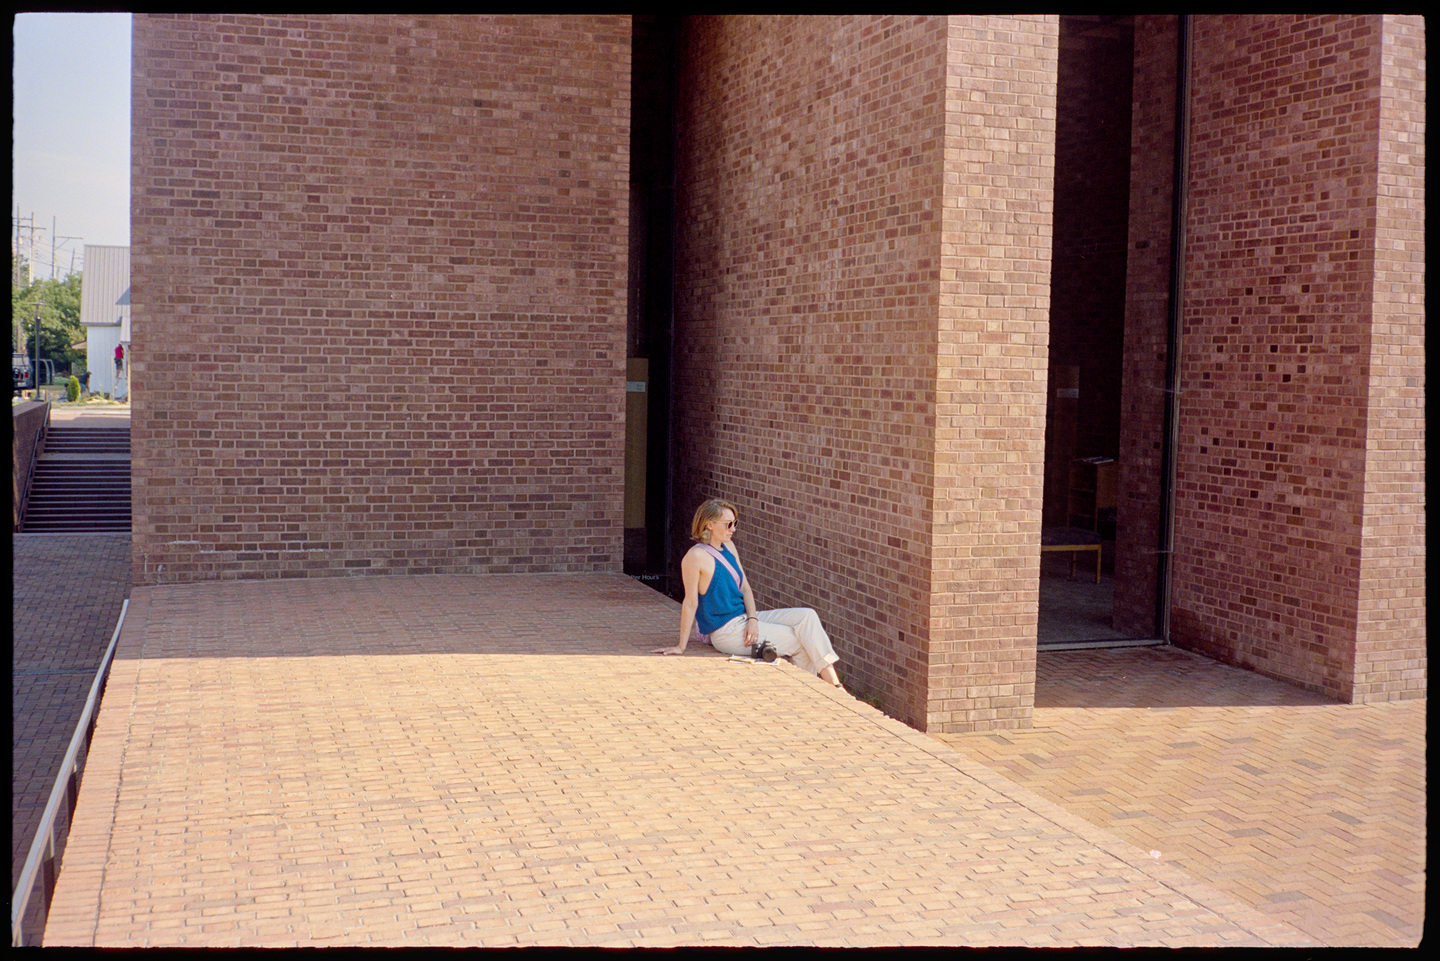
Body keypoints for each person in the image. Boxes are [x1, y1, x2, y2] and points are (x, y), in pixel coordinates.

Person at [654, 498, 845, 690]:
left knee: (807, 616)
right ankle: (827, 690)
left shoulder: (729, 547)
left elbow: (745, 587)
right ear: (709, 524)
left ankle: (832, 685)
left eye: (735, 523)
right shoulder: (695, 557)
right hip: (725, 631)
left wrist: (753, 619)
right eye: (728, 524)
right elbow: (690, 603)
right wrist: (681, 646)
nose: (733, 529)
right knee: (798, 641)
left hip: (744, 619)